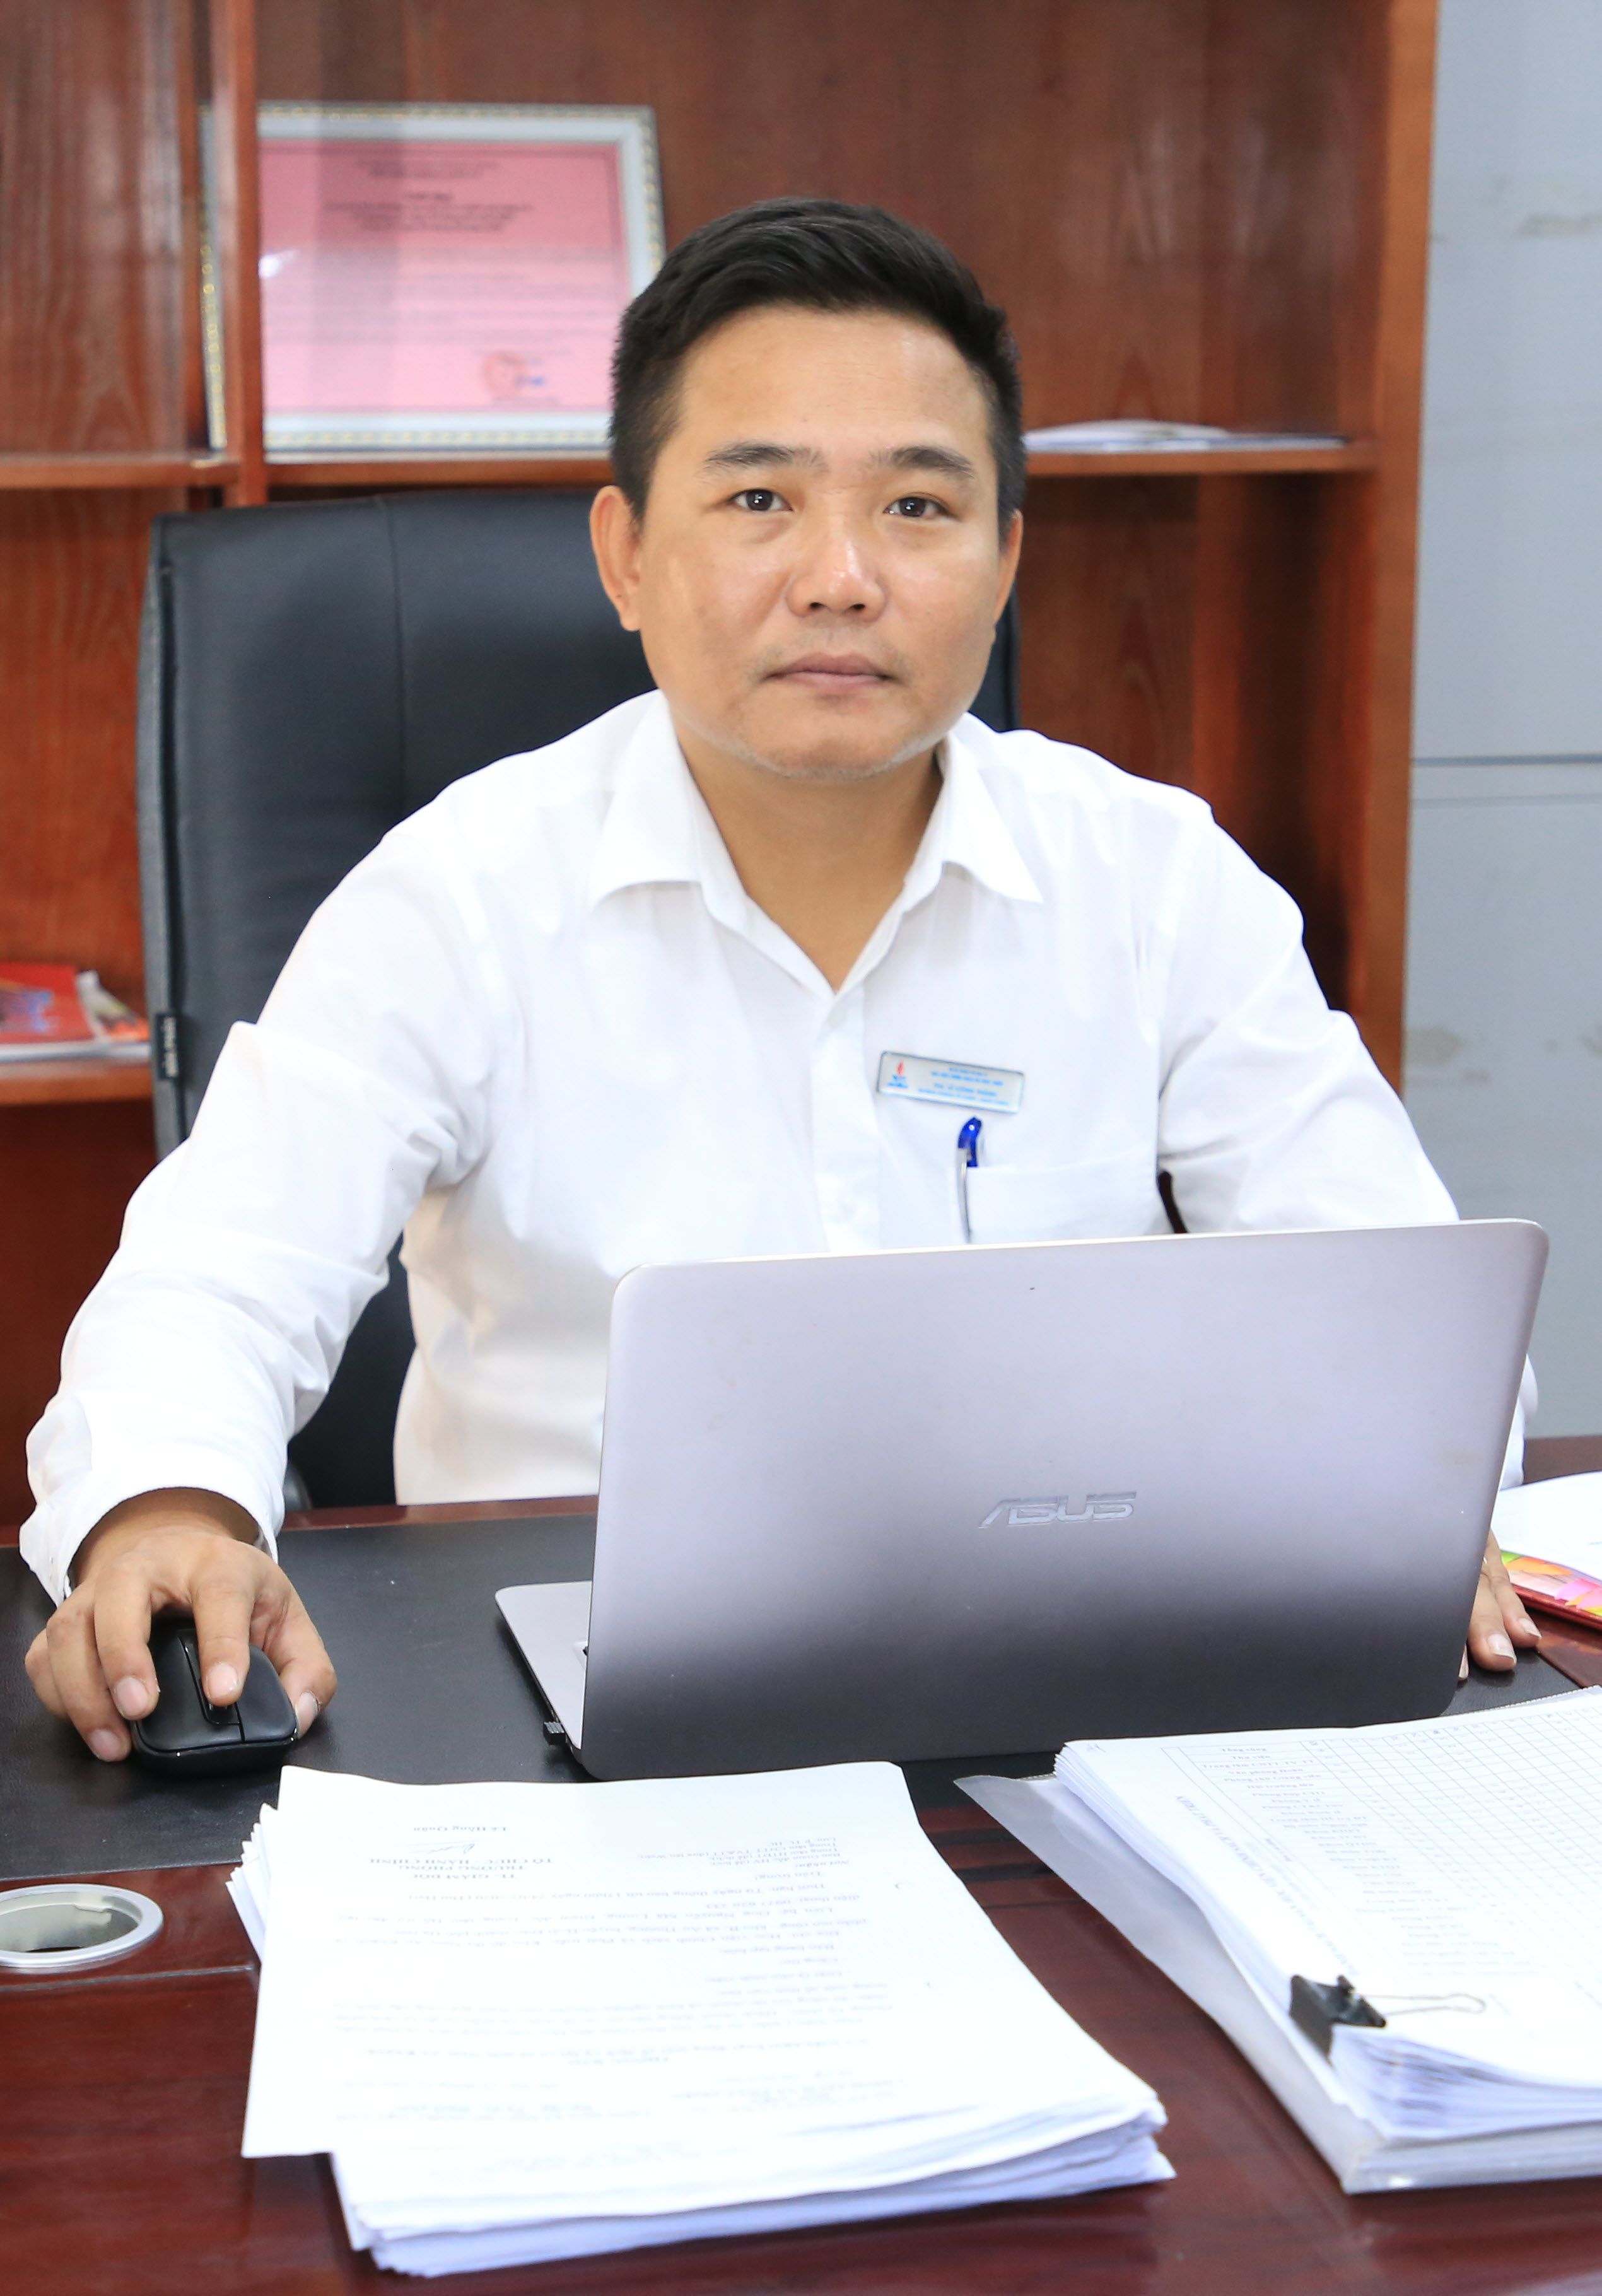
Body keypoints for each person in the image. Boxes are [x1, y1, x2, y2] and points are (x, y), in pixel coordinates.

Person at [21, 199, 1540, 1759]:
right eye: (759, 496)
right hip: (542, 1702)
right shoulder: (460, 893)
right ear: (625, 554)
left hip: (1072, 1691)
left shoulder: (1154, 879)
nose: (840, 577)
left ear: (1005, 562)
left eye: (918, 506)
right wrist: (166, 1512)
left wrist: (1395, 1498)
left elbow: (1394, 1302)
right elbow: (217, 1273)